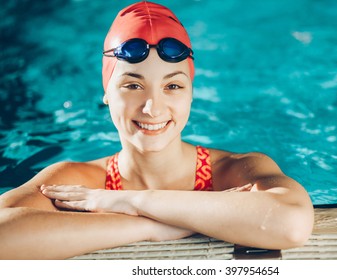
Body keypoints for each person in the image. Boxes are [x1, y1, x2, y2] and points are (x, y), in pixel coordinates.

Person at [0, 1, 314, 260]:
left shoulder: (231, 170)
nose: (153, 107)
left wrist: (128, 202)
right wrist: (152, 227)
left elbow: (292, 223)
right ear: (107, 92)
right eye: (133, 84)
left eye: (173, 85)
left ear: (191, 92)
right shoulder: (80, 180)